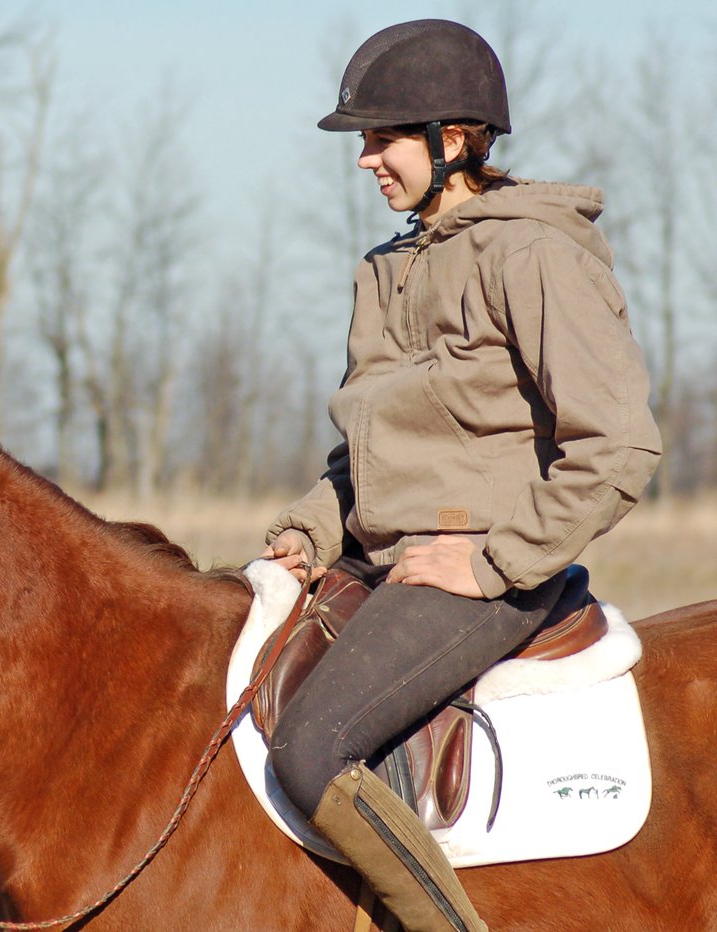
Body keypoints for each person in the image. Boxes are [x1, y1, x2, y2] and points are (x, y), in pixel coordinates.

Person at [259, 19, 660, 932]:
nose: (365, 160)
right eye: (362, 140)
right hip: (383, 561)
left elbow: (619, 446)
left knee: (311, 751)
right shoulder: (384, 270)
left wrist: (489, 565)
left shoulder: (535, 254)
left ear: (452, 142)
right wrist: (316, 526)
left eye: (379, 137)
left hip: (487, 575)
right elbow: (367, 447)